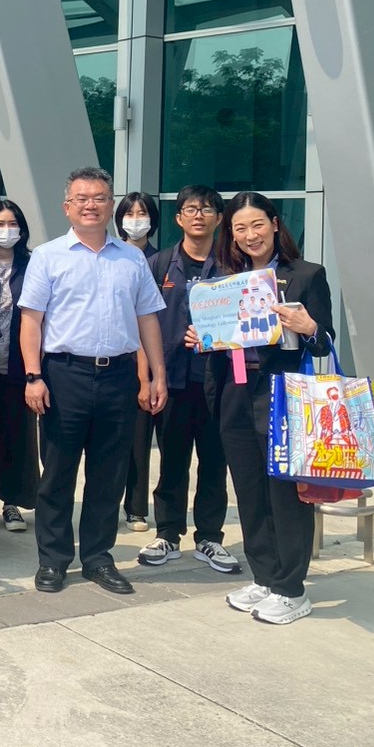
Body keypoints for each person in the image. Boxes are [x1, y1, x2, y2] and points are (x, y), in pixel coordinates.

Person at [20, 166, 167, 596]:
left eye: (100, 198)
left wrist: (157, 375)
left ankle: (98, 558)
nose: (91, 205)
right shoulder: (48, 256)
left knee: (109, 472)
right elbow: (31, 322)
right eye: (82, 199)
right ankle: (53, 559)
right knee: (58, 471)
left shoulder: (132, 258)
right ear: (67, 207)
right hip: (64, 374)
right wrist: (33, 376)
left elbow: (148, 319)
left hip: (119, 375)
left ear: (110, 205)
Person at [193, 192, 332, 625]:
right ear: (231, 235)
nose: (250, 235)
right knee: (250, 490)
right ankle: (265, 577)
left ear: (274, 224)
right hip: (235, 392)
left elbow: (324, 342)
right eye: (240, 228)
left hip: (282, 394)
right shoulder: (225, 279)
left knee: (285, 494)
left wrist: (309, 326)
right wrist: (202, 339)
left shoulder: (306, 274)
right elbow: (219, 339)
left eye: (257, 225)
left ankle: (291, 588)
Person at [137, 184, 239, 575]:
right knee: (172, 460)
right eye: (191, 209)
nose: (199, 215)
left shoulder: (234, 265)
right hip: (172, 380)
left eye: (207, 209)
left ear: (219, 218)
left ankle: (210, 537)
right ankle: (167, 533)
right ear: (179, 218)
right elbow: (142, 323)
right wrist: (146, 378)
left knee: (214, 461)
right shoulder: (159, 264)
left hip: (220, 380)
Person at [0, 199, 38, 533]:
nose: (6, 230)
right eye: (0, 224)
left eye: (13, 223)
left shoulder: (32, 263)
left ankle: (11, 503)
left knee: (16, 438)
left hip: (18, 366)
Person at [116, 191, 160, 533]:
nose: (135, 220)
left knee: (140, 440)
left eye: (142, 213)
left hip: (153, 359)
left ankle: (136, 507)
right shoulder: (114, 257)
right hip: (119, 360)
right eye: (129, 214)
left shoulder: (160, 261)